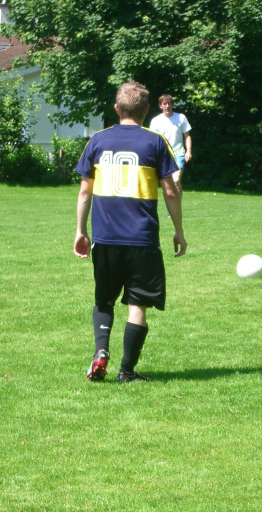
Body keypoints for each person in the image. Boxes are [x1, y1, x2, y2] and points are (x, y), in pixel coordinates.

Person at [74, 81, 187, 382]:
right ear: (147, 110)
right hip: (142, 239)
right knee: (138, 305)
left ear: (116, 108)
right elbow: (171, 191)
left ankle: (101, 351)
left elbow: (84, 192)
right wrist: (179, 230)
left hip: (105, 237)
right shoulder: (156, 142)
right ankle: (126, 371)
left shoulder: (97, 140)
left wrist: (80, 230)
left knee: (104, 300)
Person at [148, 95, 192, 197]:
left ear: (172, 105)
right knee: (167, 184)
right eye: (164, 104)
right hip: (163, 155)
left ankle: (177, 205)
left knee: (176, 179)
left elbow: (187, 136)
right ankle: (173, 205)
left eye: (169, 103)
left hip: (178, 153)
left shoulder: (181, 118)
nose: (167, 106)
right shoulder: (156, 121)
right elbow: (152, 139)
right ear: (161, 106)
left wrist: (188, 151)